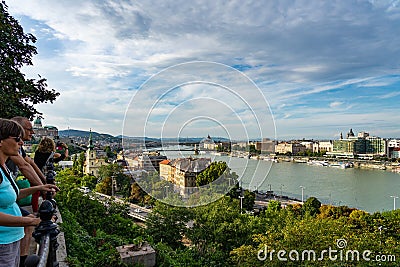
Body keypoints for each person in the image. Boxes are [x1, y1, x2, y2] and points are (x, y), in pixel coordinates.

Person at [0, 118, 58, 267]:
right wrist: (31, 221)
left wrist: (40, 188)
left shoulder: (4, 168)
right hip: (3, 241)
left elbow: (13, 195)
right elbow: (25, 165)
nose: (21, 143)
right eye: (17, 139)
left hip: (11, 238)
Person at [5, 117, 46, 266]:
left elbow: (29, 163)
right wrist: (42, 188)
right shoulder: (11, 151)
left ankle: (22, 260)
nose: (32, 132)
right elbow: (24, 166)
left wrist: (43, 185)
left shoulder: (17, 149)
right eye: (29, 129)